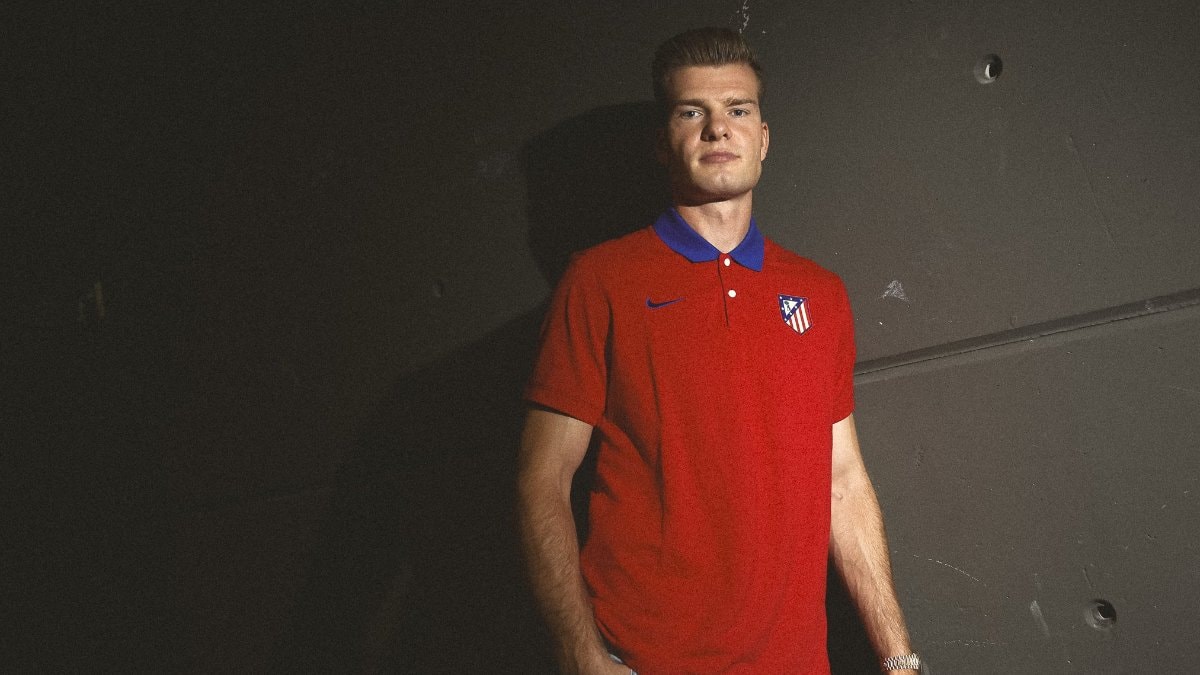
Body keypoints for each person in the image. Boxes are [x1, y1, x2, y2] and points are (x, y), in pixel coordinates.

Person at [517, 27, 918, 674]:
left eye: (738, 109)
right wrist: (581, 656)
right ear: (662, 142)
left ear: (763, 137)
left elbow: (843, 483)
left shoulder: (818, 292)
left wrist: (899, 661)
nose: (717, 129)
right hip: (649, 659)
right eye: (691, 112)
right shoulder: (599, 280)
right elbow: (542, 477)